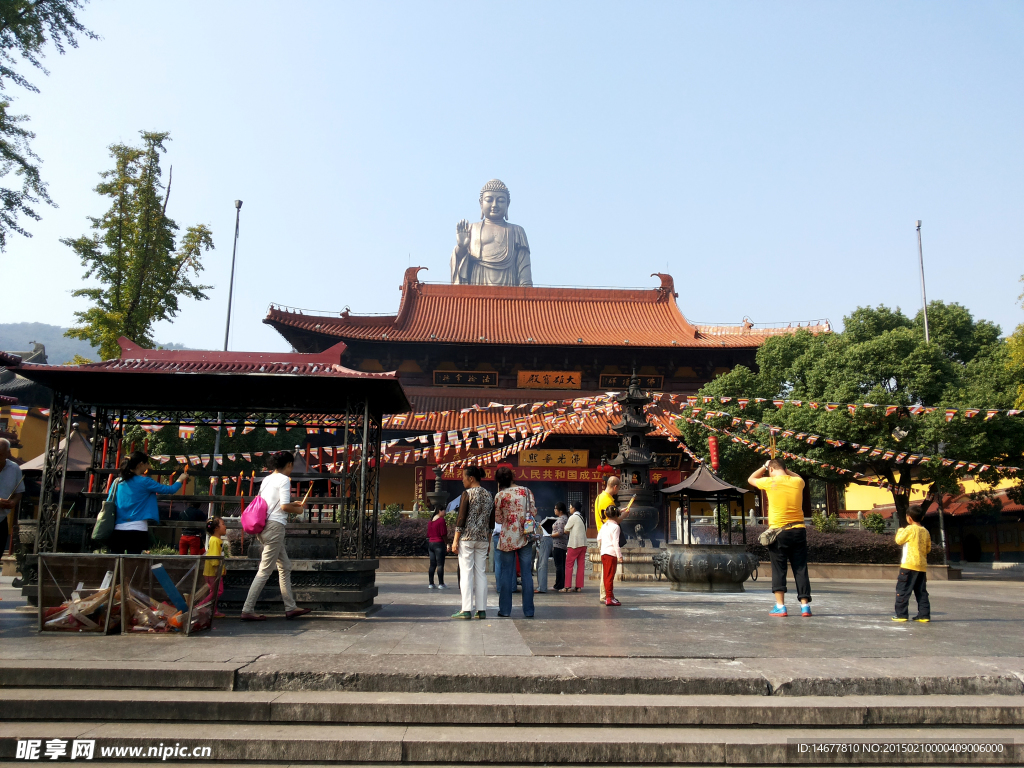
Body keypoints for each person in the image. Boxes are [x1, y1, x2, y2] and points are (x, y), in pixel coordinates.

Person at [241, 451, 312, 622]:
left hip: (264, 526)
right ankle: (247, 609)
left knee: (285, 566)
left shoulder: (267, 479)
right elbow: (285, 507)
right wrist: (299, 509)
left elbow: (275, 503)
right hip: (275, 527)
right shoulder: (283, 480)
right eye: (292, 466)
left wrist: (292, 504)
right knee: (265, 570)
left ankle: (290, 607)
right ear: (288, 464)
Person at [748, 458, 811, 617]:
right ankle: (805, 607)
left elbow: (751, 479)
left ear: (771, 470)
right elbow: (798, 477)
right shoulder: (797, 482)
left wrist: (764, 465)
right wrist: (784, 470)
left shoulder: (770, 482)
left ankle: (781, 606)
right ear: (785, 468)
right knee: (800, 568)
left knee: (779, 569)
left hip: (778, 532)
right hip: (799, 530)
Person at [109, 452, 188, 555]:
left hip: (118, 528)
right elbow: (170, 490)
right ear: (140, 464)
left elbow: (110, 501)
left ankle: (111, 572)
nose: (148, 466)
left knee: (114, 562)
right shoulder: (145, 481)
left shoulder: (117, 482)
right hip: (138, 528)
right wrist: (180, 479)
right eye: (147, 463)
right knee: (133, 565)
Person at [451, 465, 494, 619]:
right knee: (481, 573)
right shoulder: (489, 495)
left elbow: (461, 518)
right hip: (483, 540)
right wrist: (488, 542)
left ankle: (466, 609)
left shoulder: (467, 494)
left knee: (466, 573)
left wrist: (455, 540)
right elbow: (491, 522)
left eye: (463, 477)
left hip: (467, 539)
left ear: (471, 478)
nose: (462, 480)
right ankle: (481, 610)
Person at [493, 466, 536, 618]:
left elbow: (498, 519)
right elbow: (533, 512)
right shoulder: (526, 491)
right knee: (526, 574)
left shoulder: (500, 496)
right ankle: (529, 610)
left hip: (507, 538)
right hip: (525, 536)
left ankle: (505, 610)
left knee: (506, 573)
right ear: (512, 476)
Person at [893, 505, 932, 623]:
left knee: (903, 590)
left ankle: (901, 615)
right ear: (923, 517)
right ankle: (924, 615)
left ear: (909, 518)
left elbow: (899, 540)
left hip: (908, 565)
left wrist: (900, 530)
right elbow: (928, 548)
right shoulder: (925, 531)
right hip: (921, 566)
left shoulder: (909, 529)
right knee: (921, 592)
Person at [595, 475, 619, 603]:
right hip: (608, 540)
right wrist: (624, 515)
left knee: (606, 570)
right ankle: (606, 595)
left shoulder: (599, 497)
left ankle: (605, 594)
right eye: (618, 488)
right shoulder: (608, 500)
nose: (618, 491)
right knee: (608, 571)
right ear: (615, 487)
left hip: (601, 535)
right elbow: (611, 521)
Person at [0, 438, 24, 557]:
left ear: (8, 453)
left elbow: (19, 492)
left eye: (0, 454)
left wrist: (13, 502)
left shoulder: (14, 468)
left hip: (2, 519)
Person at [596, 505, 623, 606]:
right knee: (610, 576)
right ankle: (609, 597)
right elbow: (616, 543)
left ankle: (610, 596)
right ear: (616, 515)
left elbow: (599, 538)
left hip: (604, 553)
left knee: (607, 576)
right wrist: (619, 555)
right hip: (611, 554)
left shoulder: (604, 526)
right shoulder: (616, 527)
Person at [201, 517, 227, 619]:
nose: (225, 526)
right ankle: (200, 607)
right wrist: (219, 570)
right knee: (217, 591)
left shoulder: (214, 540)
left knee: (215, 592)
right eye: (223, 524)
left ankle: (212, 610)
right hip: (213, 572)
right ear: (216, 528)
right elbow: (215, 558)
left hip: (210, 571)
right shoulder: (216, 541)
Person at [561, 501, 588, 592]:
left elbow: (566, 529)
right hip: (583, 544)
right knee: (580, 565)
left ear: (574, 508)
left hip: (574, 544)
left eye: (570, 507)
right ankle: (578, 586)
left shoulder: (573, 517)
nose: (569, 509)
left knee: (569, 565)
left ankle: (567, 586)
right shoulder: (583, 517)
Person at [427, 506, 448, 589]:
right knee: (440, 564)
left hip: (431, 543)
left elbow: (428, 534)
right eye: (444, 510)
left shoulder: (430, 522)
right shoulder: (441, 521)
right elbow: (443, 534)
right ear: (440, 511)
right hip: (439, 544)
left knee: (432, 564)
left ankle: (431, 583)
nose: (445, 512)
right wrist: (448, 544)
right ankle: (441, 583)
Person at [534, 509, 555, 593]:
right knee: (540, 563)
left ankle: (542, 587)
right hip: (545, 539)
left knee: (542, 564)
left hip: (545, 539)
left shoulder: (540, 521)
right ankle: (541, 586)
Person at [549, 503, 569, 592]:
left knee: (559, 566)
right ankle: (561, 583)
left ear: (560, 511)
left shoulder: (561, 520)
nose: (554, 510)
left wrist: (550, 535)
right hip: (563, 544)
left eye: (555, 509)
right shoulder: (565, 518)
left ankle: (558, 585)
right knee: (561, 565)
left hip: (558, 544)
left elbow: (560, 533)